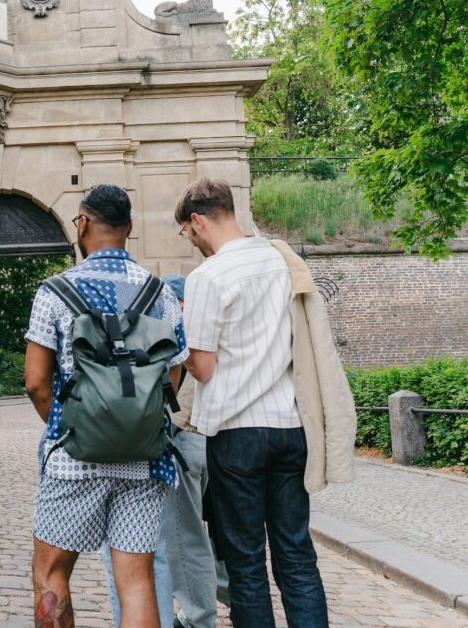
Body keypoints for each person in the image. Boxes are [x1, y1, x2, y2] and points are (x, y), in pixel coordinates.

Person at [24, 184, 187, 628]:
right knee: (135, 581)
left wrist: (74, 424)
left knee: (51, 574)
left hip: (75, 461)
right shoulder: (162, 294)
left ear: (82, 224)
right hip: (144, 461)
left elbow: (37, 383)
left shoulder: (55, 291)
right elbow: (171, 377)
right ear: (129, 228)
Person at [175, 178, 328, 627]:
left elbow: (201, 368)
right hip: (289, 424)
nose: (193, 242)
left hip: (237, 432)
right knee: (296, 554)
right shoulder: (283, 262)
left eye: (188, 233)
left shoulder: (208, 276)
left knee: (244, 561)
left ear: (198, 221)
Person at [101, 273, 225, 628]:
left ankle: (200, 618)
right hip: (203, 439)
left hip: (182, 438)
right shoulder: (196, 330)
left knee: (181, 540)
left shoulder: (176, 333)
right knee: (192, 536)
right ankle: (201, 612)